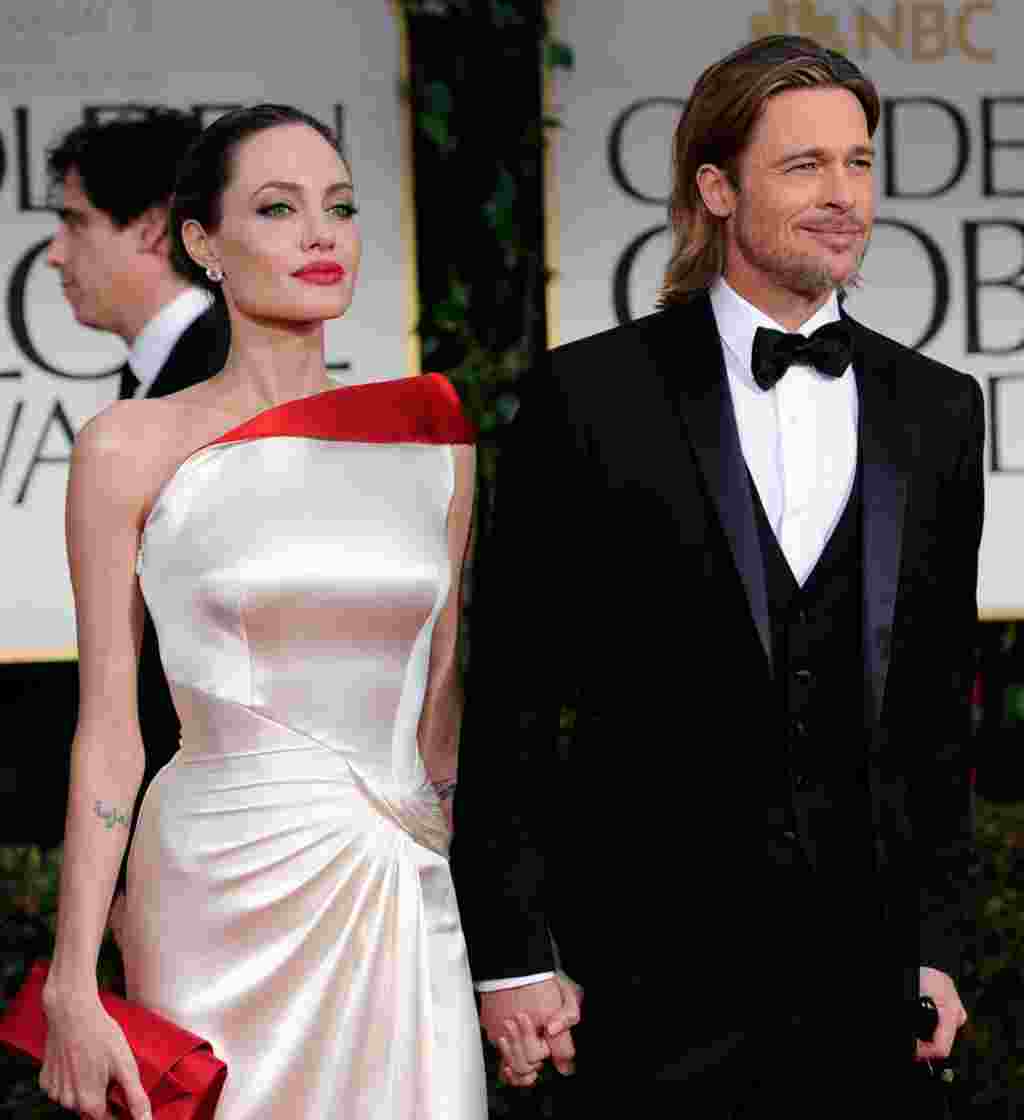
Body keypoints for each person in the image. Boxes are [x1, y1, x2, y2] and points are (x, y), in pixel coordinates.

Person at [451, 35, 982, 1114]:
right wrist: (512, 951)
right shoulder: (589, 397)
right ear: (715, 187)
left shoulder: (936, 408)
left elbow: (933, 709)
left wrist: (936, 946)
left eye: (859, 162)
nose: (844, 195)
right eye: (804, 165)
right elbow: (509, 690)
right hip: (648, 983)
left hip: (868, 983)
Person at [38, 104, 488, 1120]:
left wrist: (434, 857)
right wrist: (73, 975)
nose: (320, 233)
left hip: (397, 880)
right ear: (201, 242)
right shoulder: (127, 447)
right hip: (216, 886)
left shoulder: (433, 438)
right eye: (278, 208)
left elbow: (443, 695)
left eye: (339, 207)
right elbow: (109, 726)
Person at [47, 110, 230, 831]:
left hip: (207, 815)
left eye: (77, 223)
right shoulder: (167, 373)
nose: (56, 255)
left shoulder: (214, 375)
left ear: (153, 229)